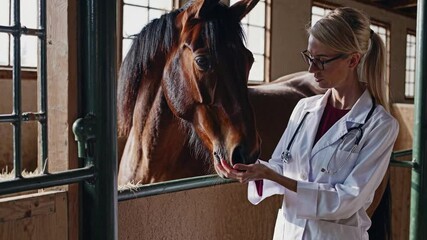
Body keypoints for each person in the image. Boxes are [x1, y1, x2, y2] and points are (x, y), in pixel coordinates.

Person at [215, 7, 399, 240]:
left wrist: (277, 178)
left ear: (353, 60)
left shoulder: (380, 125)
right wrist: (251, 171)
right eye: (310, 57)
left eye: (321, 61)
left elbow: (347, 199)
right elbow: (280, 165)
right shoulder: (304, 109)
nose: (311, 69)